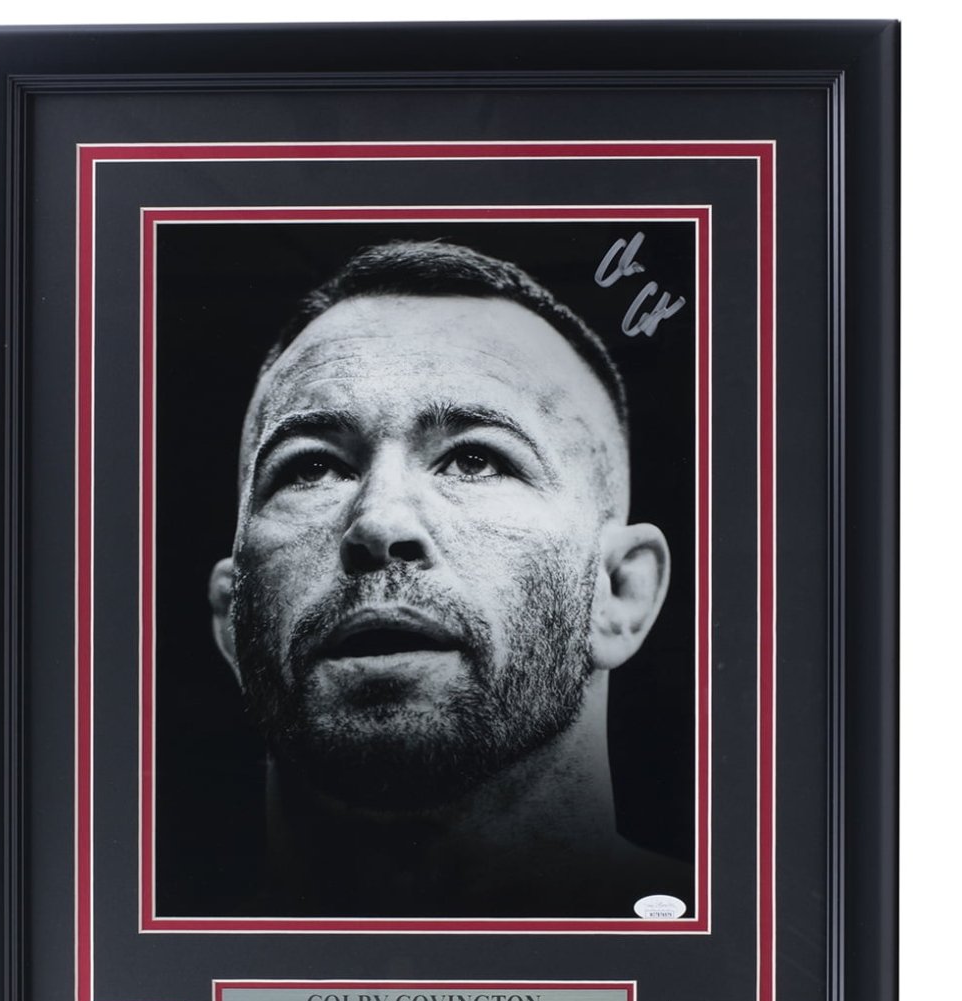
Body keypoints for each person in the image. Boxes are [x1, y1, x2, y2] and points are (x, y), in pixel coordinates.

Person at [208, 240, 685, 916]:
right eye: (312, 468)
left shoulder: (761, 952)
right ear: (234, 617)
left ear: (619, 594)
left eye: (475, 460)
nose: (378, 523)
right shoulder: (134, 960)